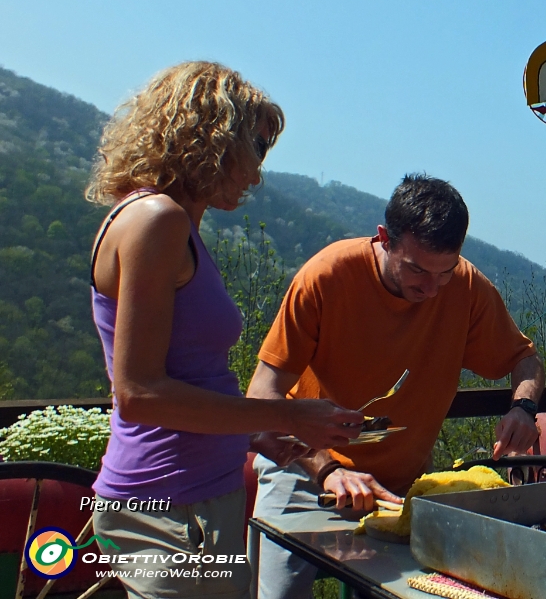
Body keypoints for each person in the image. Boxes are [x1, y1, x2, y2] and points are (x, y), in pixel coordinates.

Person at [85, 62, 363, 599]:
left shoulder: (173, 224)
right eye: (255, 149)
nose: (257, 173)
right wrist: (286, 413)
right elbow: (139, 394)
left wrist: (254, 432)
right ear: (212, 135)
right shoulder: (156, 221)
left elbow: (181, 376)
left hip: (188, 499)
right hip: (171, 504)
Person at [247, 173, 545, 599]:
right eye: (417, 270)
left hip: (398, 491)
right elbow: (262, 396)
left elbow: (525, 359)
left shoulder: (466, 287)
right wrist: (328, 469)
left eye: (444, 273)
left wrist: (523, 409)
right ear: (385, 238)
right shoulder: (327, 276)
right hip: (303, 472)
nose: (430, 288)